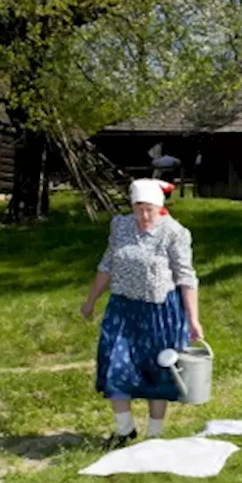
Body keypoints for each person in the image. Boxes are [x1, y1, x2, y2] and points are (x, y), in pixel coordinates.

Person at [81, 179, 204, 448]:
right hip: (123, 308)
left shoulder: (174, 233)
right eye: (138, 209)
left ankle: (155, 434)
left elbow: (186, 277)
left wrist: (193, 318)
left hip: (159, 311)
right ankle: (124, 429)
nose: (144, 216)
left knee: (157, 370)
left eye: (149, 209)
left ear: (159, 207)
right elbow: (107, 264)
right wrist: (91, 300)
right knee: (115, 364)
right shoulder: (121, 226)